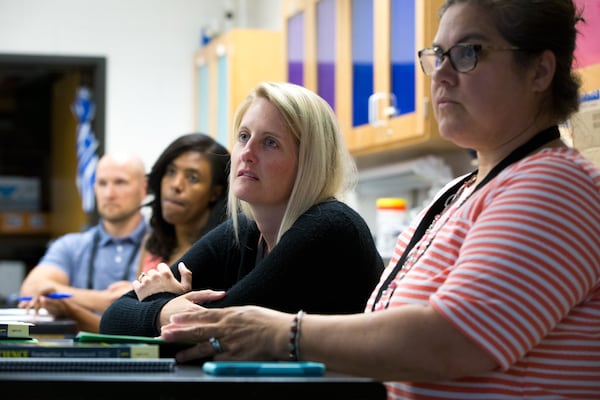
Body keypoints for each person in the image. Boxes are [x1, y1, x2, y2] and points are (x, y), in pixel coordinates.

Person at [157, 1, 600, 399]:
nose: (441, 74)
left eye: (469, 52)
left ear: (540, 71)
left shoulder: (554, 185)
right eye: (438, 55)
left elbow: (452, 339)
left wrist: (282, 333)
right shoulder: (459, 191)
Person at [99, 81, 384, 337]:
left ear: (310, 162)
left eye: (270, 143)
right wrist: (164, 310)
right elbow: (113, 318)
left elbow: (216, 329)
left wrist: (157, 302)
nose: (247, 154)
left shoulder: (330, 227)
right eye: (244, 136)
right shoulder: (244, 231)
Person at [19, 152, 148, 332]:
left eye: (120, 182)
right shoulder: (71, 245)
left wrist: (65, 297)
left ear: (144, 188)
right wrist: (102, 300)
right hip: (78, 354)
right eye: (102, 183)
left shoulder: (163, 244)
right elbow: (32, 289)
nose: (109, 194)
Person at [138, 133, 230, 273]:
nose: (176, 185)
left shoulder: (222, 256)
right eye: (171, 172)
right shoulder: (152, 245)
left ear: (215, 193)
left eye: (192, 178)